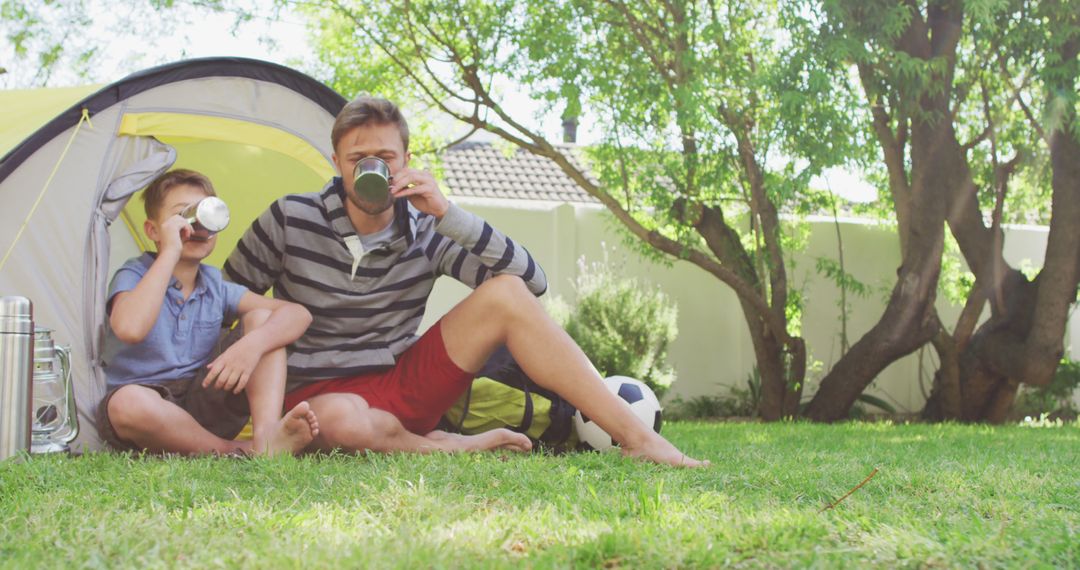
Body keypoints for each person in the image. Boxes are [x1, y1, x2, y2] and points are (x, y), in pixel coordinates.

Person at [224, 97, 707, 467]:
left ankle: (639, 439)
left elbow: (532, 283)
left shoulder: (430, 228)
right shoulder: (290, 217)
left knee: (505, 292)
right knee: (339, 419)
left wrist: (449, 213)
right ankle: (444, 447)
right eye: (358, 159)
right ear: (336, 162)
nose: (372, 168)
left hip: (400, 384)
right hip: (317, 397)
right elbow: (225, 299)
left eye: (385, 158)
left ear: (406, 160)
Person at [98, 169, 320, 456]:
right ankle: (237, 451)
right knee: (127, 403)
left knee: (263, 319)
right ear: (153, 230)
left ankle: (267, 437)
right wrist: (169, 252)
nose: (197, 225)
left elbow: (298, 314)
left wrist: (252, 346)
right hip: (147, 408)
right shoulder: (135, 273)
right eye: (183, 214)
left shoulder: (215, 285)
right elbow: (130, 328)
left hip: (202, 400)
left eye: (204, 212)